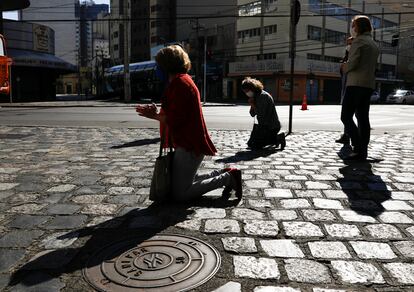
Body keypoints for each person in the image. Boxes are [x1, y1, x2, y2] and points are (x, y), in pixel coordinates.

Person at [136, 45, 242, 201]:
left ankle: (228, 178)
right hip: (186, 142)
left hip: (189, 144)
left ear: (167, 66)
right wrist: (157, 112)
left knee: (180, 193)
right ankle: (226, 173)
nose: (157, 69)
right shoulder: (180, 82)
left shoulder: (180, 84)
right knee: (181, 182)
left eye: (159, 65)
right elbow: (176, 113)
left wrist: (153, 116)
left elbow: (176, 119)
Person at [340, 15, 379, 160]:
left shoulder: (359, 42)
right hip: (368, 84)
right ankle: (363, 151)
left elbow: (353, 63)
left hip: (355, 83)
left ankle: (357, 147)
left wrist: (344, 66)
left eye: (354, 26)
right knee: (363, 118)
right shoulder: (373, 43)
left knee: (345, 116)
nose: (353, 28)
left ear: (359, 27)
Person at [241, 77, 285, 150]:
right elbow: (252, 114)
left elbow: (262, 115)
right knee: (251, 144)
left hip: (271, 126)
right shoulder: (255, 96)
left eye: (247, 91)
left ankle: (279, 138)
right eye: (245, 92)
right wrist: (252, 104)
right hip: (263, 126)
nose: (246, 93)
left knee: (257, 145)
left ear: (252, 88)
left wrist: (253, 105)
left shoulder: (263, 96)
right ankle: (271, 138)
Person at [336, 36, 353, 145]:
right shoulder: (346, 58)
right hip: (346, 89)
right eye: (347, 44)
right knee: (347, 115)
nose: (348, 46)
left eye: (350, 44)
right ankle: (347, 135)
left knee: (349, 116)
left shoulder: (353, 56)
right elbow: (342, 73)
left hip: (352, 89)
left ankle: (353, 137)